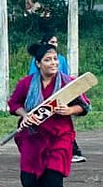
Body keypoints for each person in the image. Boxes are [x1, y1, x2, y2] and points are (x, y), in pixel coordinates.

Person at [9, 40, 90, 187]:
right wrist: (25, 115)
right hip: (33, 137)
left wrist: (69, 109)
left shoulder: (68, 83)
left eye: (55, 59)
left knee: (54, 179)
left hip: (60, 137)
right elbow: (14, 103)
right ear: (38, 63)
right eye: (48, 60)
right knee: (28, 181)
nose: (53, 63)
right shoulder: (26, 84)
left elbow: (84, 106)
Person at [29, 34, 86, 163]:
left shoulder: (61, 59)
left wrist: (67, 94)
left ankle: (73, 151)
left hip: (59, 93)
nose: (55, 44)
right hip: (41, 95)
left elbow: (65, 75)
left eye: (56, 42)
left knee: (61, 125)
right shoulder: (36, 61)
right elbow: (32, 76)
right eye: (52, 42)